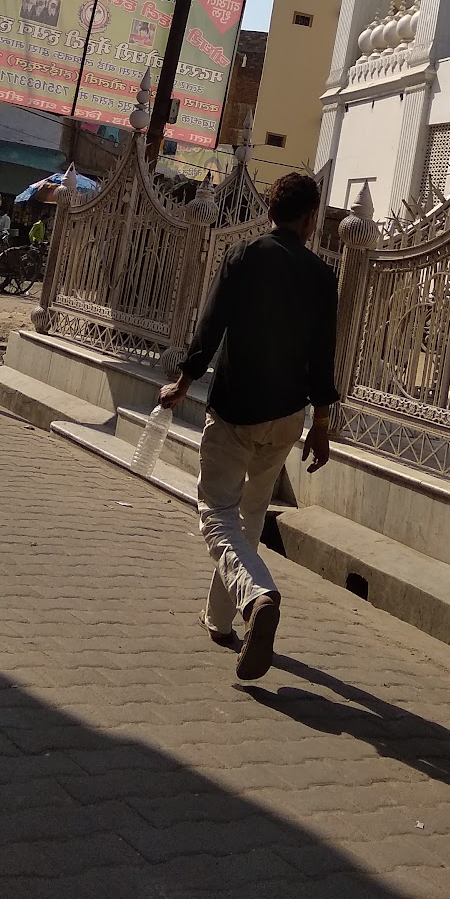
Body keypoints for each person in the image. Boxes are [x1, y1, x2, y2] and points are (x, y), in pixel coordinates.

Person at [160, 171, 337, 682]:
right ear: (310, 220)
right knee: (251, 515)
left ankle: (256, 596)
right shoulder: (323, 277)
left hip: (236, 409)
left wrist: (183, 382)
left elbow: (210, 326)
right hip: (287, 418)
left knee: (217, 513)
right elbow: (324, 357)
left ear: (267, 213)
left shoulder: (243, 257)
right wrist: (320, 424)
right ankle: (220, 619)